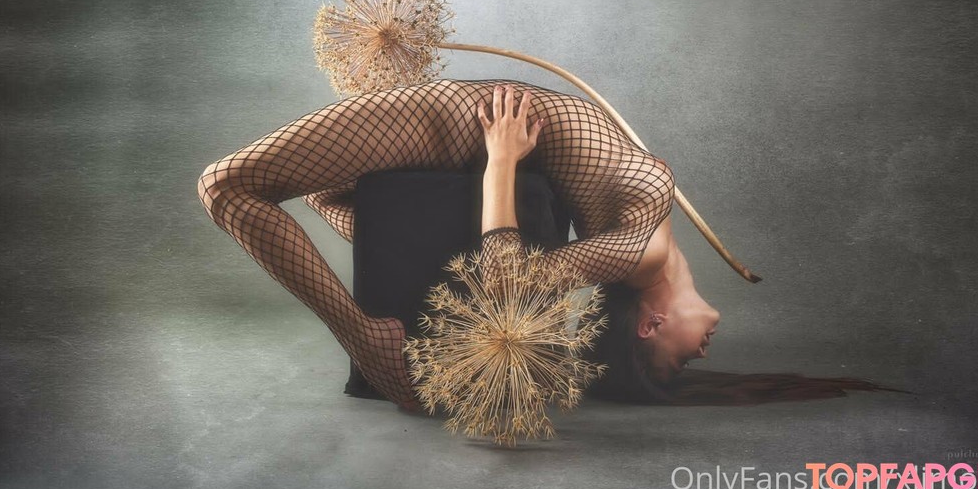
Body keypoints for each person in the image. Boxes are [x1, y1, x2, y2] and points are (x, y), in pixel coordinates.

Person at [197, 80, 720, 411]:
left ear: (650, 325)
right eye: (683, 363)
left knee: (224, 187)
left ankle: (363, 336)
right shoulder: (646, 247)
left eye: (681, 361)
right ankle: (364, 327)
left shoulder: (640, 254)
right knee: (258, 188)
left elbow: (503, 278)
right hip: (460, 116)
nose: (701, 353)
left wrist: (502, 161)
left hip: (452, 124)